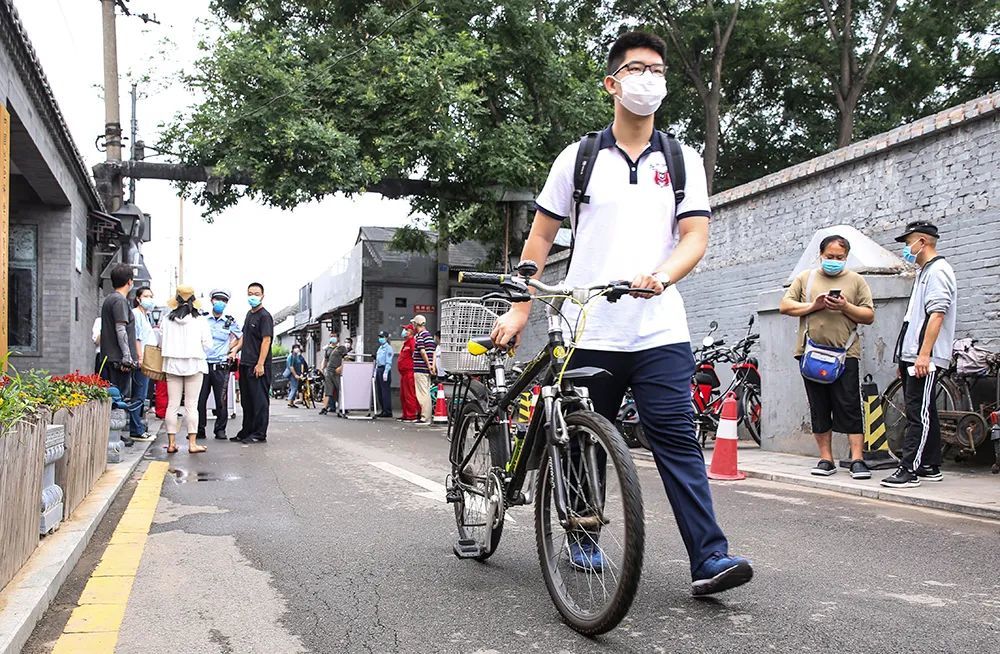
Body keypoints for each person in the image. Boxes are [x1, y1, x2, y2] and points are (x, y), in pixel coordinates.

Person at [490, 32, 752, 596]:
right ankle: (582, 535)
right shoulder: (578, 158)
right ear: (612, 83)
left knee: (677, 439)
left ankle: (711, 558)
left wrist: (662, 275)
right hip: (588, 326)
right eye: (637, 68)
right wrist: (519, 307)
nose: (649, 78)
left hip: (659, 328)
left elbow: (695, 236)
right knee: (583, 441)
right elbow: (539, 237)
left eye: (657, 70)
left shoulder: (681, 160)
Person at [779, 235, 876, 479]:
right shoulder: (806, 278)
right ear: (820, 255)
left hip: (846, 354)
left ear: (847, 258)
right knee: (819, 406)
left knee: (850, 405)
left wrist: (845, 307)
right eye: (830, 257)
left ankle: (857, 459)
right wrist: (814, 305)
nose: (834, 261)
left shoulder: (856, 281)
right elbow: (785, 306)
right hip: (811, 354)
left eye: (839, 258)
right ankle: (826, 459)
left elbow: (868, 315)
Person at [882, 221, 958, 488]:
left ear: (922, 242)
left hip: (923, 357)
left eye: (908, 243)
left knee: (918, 413)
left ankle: (909, 469)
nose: (906, 248)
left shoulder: (938, 271)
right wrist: (904, 357)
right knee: (925, 411)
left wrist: (923, 355)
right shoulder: (925, 271)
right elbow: (912, 320)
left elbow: (938, 314)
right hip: (912, 355)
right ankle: (929, 465)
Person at [159, 285, 212, 454]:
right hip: (194, 365)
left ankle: (172, 443)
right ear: (193, 300)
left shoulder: (166, 320)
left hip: (172, 365)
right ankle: (192, 443)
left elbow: (160, 343)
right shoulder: (200, 320)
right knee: (191, 405)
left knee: (172, 405)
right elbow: (208, 345)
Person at [99, 264, 139, 447]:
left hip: (109, 357)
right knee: (118, 399)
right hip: (117, 360)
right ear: (130, 281)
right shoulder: (120, 301)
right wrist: (127, 357)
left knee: (112, 397)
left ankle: (113, 434)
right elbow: (120, 328)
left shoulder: (109, 299)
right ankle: (114, 435)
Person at [197, 290, 242, 439]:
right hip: (202, 365)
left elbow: (241, 337)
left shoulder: (230, 322)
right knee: (200, 399)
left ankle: (220, 430)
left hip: (220, 365)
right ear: (211, 300)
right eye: (218, 299)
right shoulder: (202, 319)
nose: (220, 302)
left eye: (224, 300)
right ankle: (199, 428)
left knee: (221, 400)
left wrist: (233, 350)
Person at [232, 282, 274, 443]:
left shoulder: (265, 316)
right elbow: (244, 336)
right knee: (247, 401)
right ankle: (246, 431)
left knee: (259, 401)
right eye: (250, 293)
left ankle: (259, 433)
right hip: (245, 363)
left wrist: (261, 363)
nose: (253, 296)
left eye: (256, 294)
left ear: (262, 296)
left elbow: (266, 340)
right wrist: (235, 349)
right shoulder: (250, 314)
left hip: (258, 365)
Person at [128, 286, 158, 442]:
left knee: (142, 395)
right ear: (138, 298)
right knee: (138, 396)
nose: (150, 299)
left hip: (147, 359)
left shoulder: (146, 315)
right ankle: (136, 430)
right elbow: (137, 338)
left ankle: (138, 427)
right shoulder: (136, 315)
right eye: (146, 296)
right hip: (141, 360)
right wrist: (140, 358)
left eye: (151, 296)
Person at [411, 315, 436, 425]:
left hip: (420, 368)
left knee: (422, 394)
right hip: (427, 369)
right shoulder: (429, 336)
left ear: (416, 324)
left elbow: (422, 351)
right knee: (426, 392)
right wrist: (432, 366)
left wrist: (428, 364)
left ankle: (425, 417)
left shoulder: (420, 336)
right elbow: (433, 353)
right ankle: (427, 416)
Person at [319, 335, 347, 415]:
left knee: (340, 389)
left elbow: (346, 358)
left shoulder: (341, 348)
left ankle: (343, 407)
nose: (333, 338)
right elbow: (325, 359)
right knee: (328, 390)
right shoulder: (327, 349)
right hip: (329, 371)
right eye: (331, 336)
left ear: (338, 338)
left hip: (337, 372)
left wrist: (341, 367)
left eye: (334, 336)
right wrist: (322, 368)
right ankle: (324, 408)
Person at [397, 324, 420, 423]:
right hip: (404, 373)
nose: (404, 331)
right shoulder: (406, 343)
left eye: (406, 329)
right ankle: (406, 414)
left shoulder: (412, 342)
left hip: (410, 372)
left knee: (410, 394)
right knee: (403, 395)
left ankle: (411, 415)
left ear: (411, 331)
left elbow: (415, 356)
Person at [374, 330, 394, 418]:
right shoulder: (380, 348)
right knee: (380, 391)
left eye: (382, 337)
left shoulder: (388, 348)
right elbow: (378, 361)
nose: (380, 339)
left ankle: (387, 410)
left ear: (386, 338)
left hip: (384, 370)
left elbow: (388, 361)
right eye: (379, 337)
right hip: (379, 369)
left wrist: (386, 372)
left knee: (385, 391)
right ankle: (383, 409)